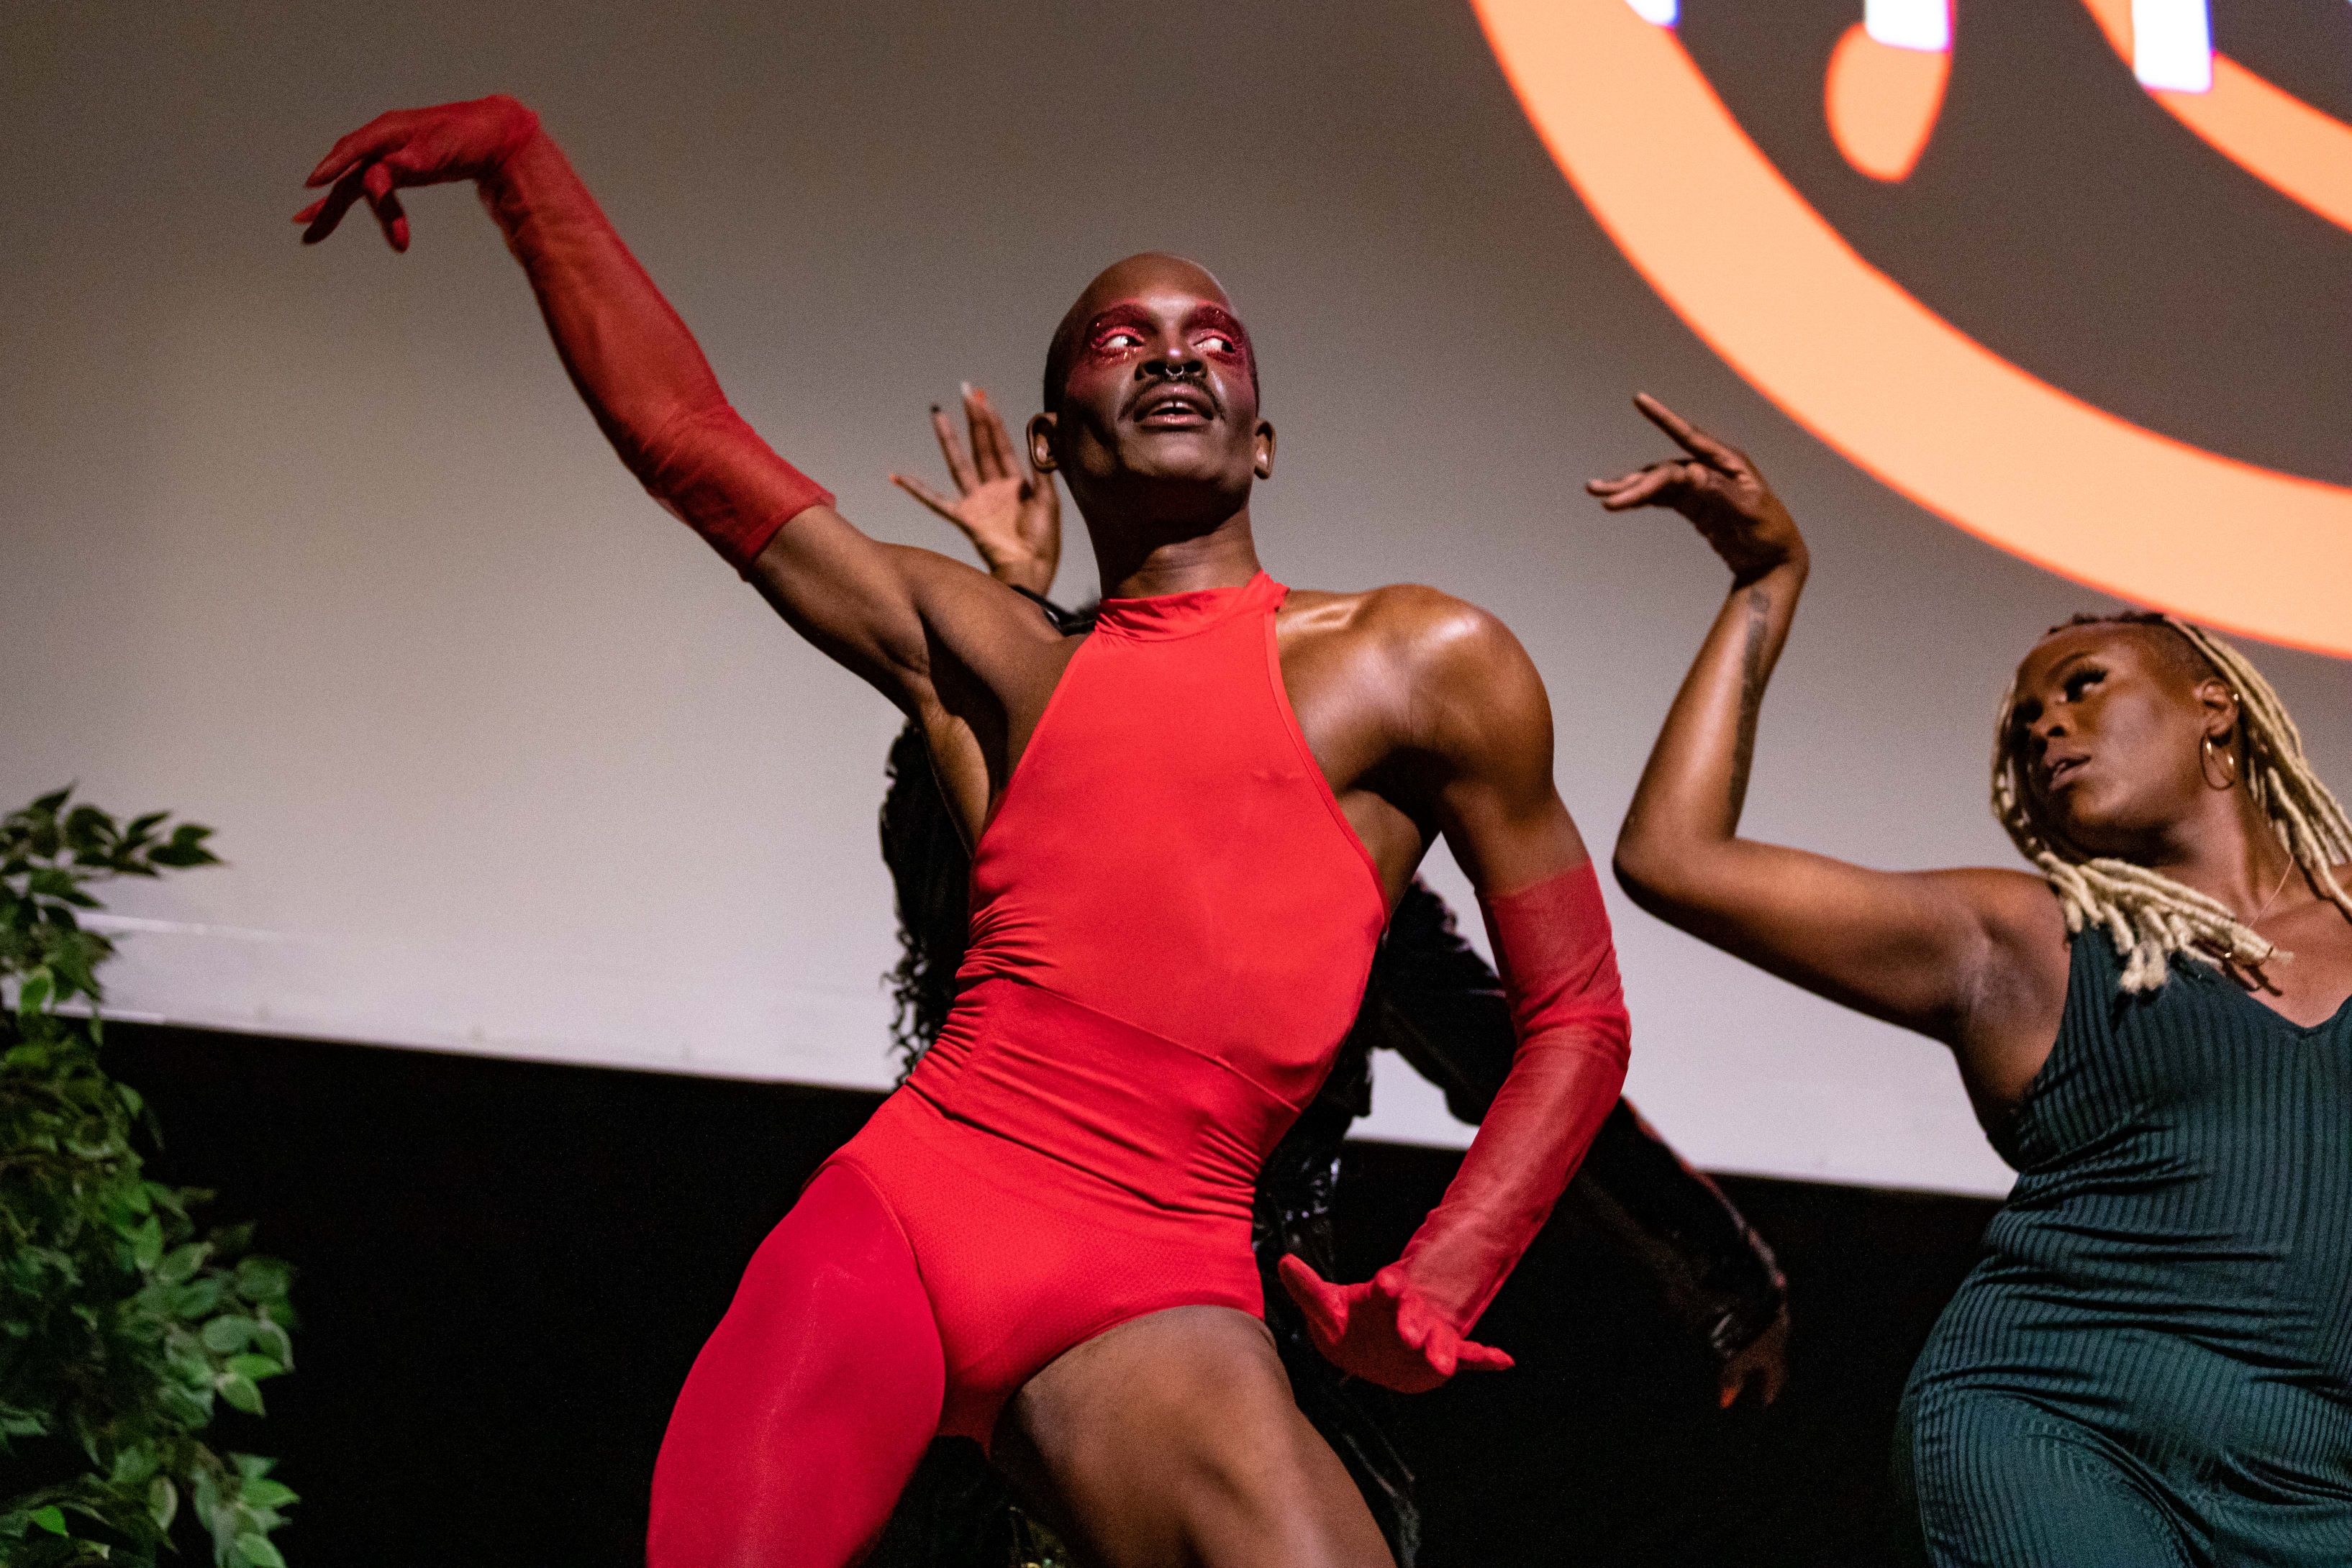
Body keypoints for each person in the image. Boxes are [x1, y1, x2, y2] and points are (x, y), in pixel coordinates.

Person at [295, 96, 1633, 1568]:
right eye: (1123, 336)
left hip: (1158, 1288)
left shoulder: (1426, 658)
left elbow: (1576, 1015)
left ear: (1266, 442)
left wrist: (1443, 1276)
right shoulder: (996, 666)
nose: (1177, 348)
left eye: (1215, 336)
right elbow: (689, 441)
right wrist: (518, 163)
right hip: (909, 1219)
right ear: (1056, 440)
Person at [873, 392, 1791, 1564]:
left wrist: (1722, 1268)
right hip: (1002, 1327)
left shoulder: (1333, 875)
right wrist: (1019, 615)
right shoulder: (997, 792)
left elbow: (1539, 1052)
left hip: (1202, 1344)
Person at [1594, 393, 2352, 1566]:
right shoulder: (2023, 938)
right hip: (2058, 1433)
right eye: (2022, 726)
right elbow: (1673, 860)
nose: (2042, 728)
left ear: (2216, 701)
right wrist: (1762, 584)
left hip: (2319, 1477)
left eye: (2082, 685)